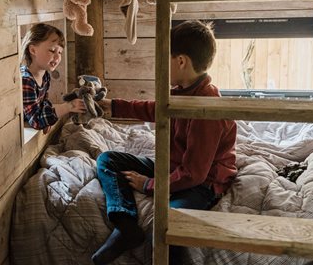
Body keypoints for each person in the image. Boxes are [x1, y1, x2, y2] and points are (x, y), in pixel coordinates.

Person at [92, 20, 237, 265]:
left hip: (201, 183)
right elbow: (156, 110)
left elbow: (194, 174)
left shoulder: (206, 106)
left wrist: (149, 185)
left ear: (181, 61)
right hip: (173, 167)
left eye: (164, 59)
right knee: (108, 160)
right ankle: (126, 225)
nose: (161, 66)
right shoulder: (183, 90)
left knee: (167, 226)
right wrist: (114, 105)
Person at [21, 23, 86, 133]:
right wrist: (67, 107)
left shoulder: (45, 75)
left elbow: (43, 104)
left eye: (60, 52)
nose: (57, 57)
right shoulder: (26, 80)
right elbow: (36, 120)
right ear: (33, 50)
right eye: (52, 50)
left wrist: (47, 120)